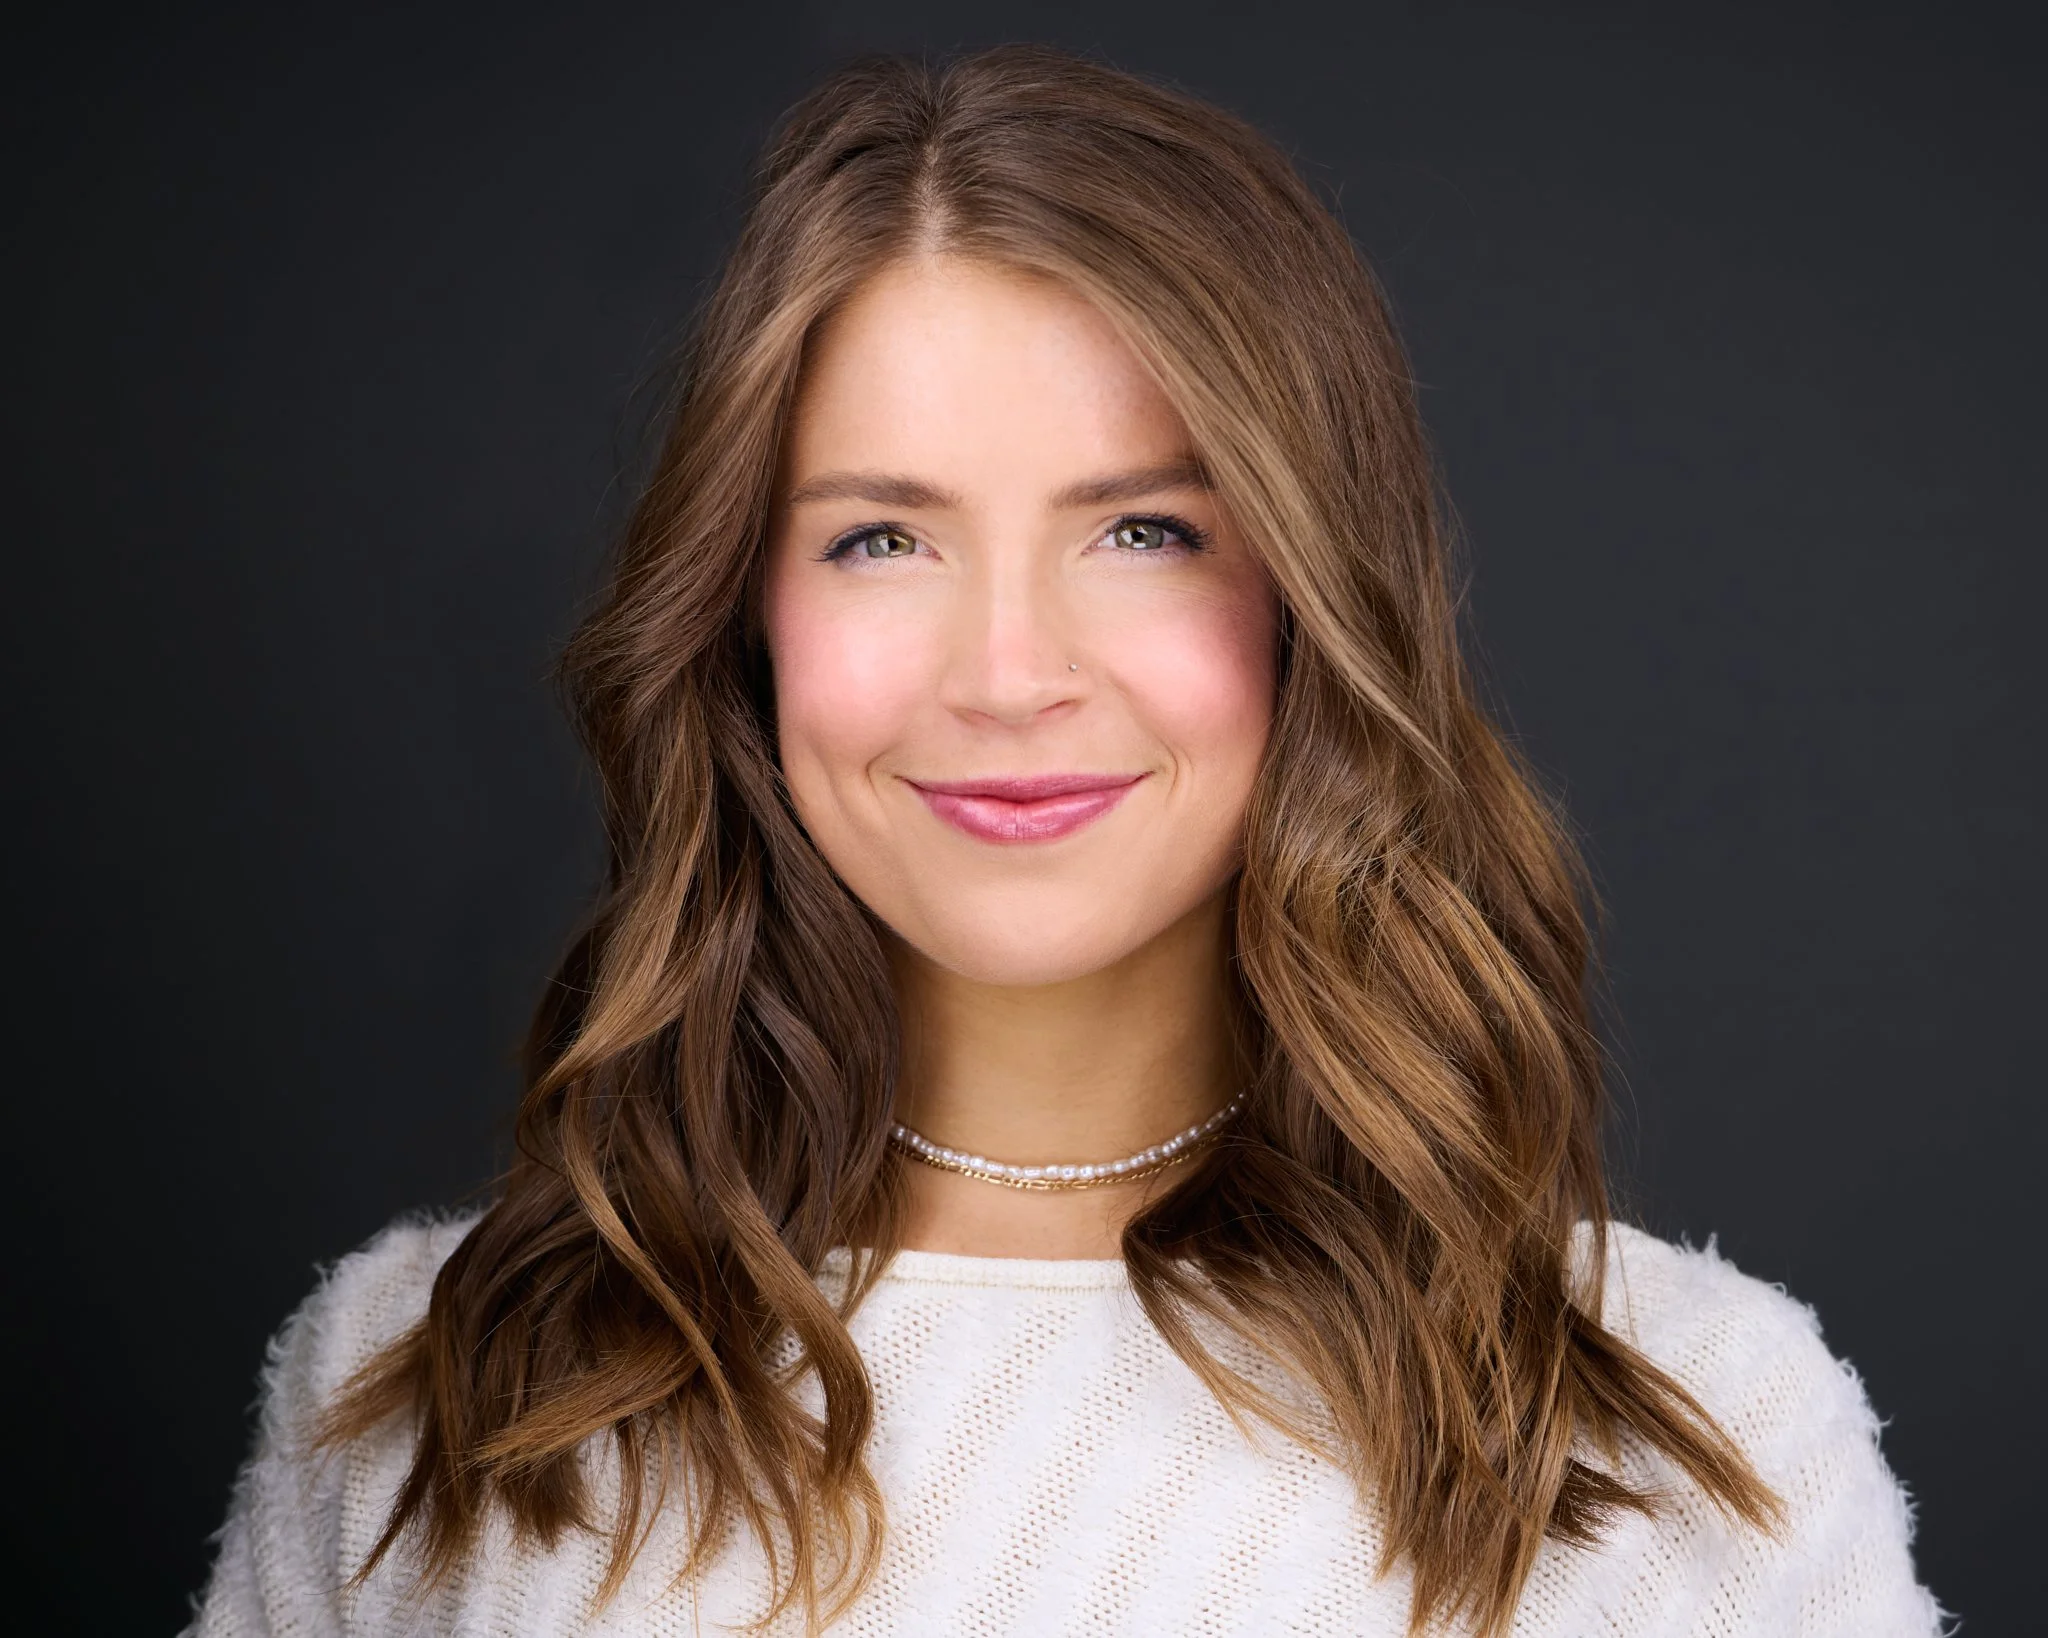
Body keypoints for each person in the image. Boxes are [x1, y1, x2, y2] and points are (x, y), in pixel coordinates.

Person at [183, 44, 1949, 1638]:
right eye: (882, 538)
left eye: (1145, 533)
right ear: (742, 615)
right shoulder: (426, 1389)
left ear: (1310, 605)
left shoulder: (1689, 1423)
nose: (1009, 672)